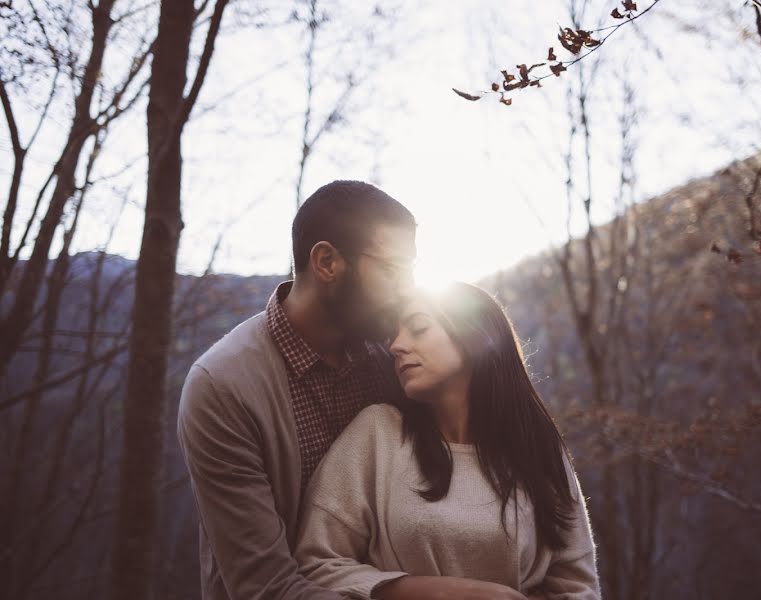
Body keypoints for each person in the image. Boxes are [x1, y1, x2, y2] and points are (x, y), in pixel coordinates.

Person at [177, 180, 416, 600]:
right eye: (394, 270)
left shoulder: (396, 356)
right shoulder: (223, 387)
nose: (407, 290)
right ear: (327, 262)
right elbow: (265, 587)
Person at [295, 282, 602, 600]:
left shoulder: (537, 447)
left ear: (472, 335)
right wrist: (443, 592)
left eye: (418, 328)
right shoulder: (377, 433)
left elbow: (578, 587)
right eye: (394, 334)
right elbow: (315, 565)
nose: (396, 346)